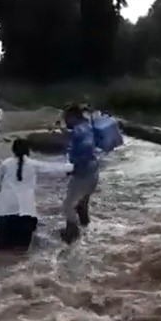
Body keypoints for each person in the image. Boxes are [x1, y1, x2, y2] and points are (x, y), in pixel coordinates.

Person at [0, 138, 73, 253]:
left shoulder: (5, 164)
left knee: (1, 250)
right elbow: (54, 168)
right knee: (21, 252)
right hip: (26, 213)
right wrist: (77, 166)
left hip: (5, 213)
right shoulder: (33, 164)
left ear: (13, 150)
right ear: (28, 150)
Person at [60, 104, 100, 244]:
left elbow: (85, 144)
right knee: (82, 205)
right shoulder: (88, 126)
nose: (65, 121)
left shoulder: (79, 130)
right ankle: (87, 234)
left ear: (72, 117)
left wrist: (76, 165)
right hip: (94, 171)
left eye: (66, 118)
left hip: (83, 173)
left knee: (67, 207)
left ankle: (73, 235)